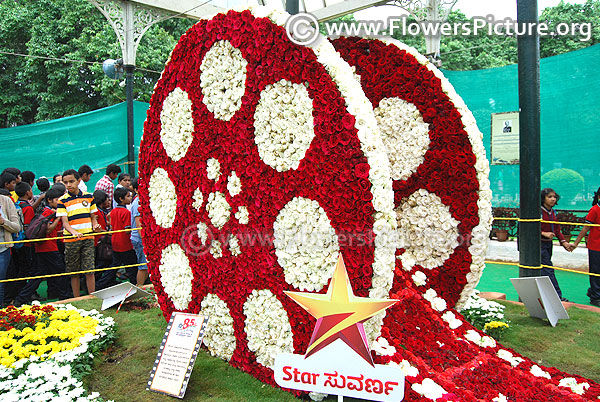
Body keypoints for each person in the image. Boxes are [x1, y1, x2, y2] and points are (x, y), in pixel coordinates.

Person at [13, 188, 70, 305]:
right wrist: (58, 217)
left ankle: (21, 299)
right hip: (49, 247)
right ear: (49, 200)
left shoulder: (46, 211)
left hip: (43, 247)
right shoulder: (49, 213)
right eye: (57, 200)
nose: (60, 202)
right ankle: (66, 296)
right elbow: (48, 229)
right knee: (60, 271)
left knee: (38, 275)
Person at [56, 169, 101, 298]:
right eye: (65, 182)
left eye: (71, 181)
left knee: (90, 269)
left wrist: (95, 225)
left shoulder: (89, 196)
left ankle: (93, 297)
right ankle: (77, 299)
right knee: (73, 271)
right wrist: (73, 232)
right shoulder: (62, 201)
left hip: (88, 237)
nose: (69, 185)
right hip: (71, 240)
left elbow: (93, 217)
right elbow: (65, 223)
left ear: (78, 181)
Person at [540, 188, 573, 302]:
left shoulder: (553, 212)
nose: (553, 199)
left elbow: (557, 228)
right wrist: (543, 233)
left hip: (548, 245)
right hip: (539, 245)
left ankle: (544, 296)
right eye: (549, 197)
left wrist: (563, 242)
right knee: (548, 270)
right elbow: (529, 227)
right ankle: (557, 297)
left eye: (554, 197)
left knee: (543, 270)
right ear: (543, 198)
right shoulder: (538, 211)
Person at [572, 187, 600, 307]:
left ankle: (593, 291)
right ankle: (595, 297)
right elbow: (585, 228)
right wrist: (576, 243)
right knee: (596, 271)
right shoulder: (594, 210)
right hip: (596, 246)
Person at [0, 194, 21, 307]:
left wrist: (3, 222)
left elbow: (16, 227)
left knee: (0, 282)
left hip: (3, 249)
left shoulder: (6, 201)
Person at [130, 178, 147, 286]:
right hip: (139, 239)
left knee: (146, 266)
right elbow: (138, 224)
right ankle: (139, 287)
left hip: (141, 238)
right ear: (136, 190)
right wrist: (144, 239)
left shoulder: (142, 201)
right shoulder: (137, 203)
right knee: (143, 266)